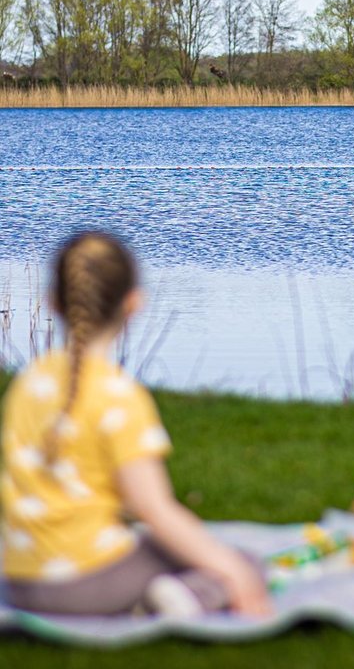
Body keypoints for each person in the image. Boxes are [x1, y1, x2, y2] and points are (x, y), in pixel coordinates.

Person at [0, 232, 270, 617]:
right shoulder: (119, 396)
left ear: (53, 302)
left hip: (19, 581)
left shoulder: (28, 383)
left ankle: (159, 594)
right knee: (240, 563)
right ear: (134, 303)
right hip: (85, 584)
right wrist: (234, 571)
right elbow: (153, 509)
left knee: (168, 549)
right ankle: (180, 599)